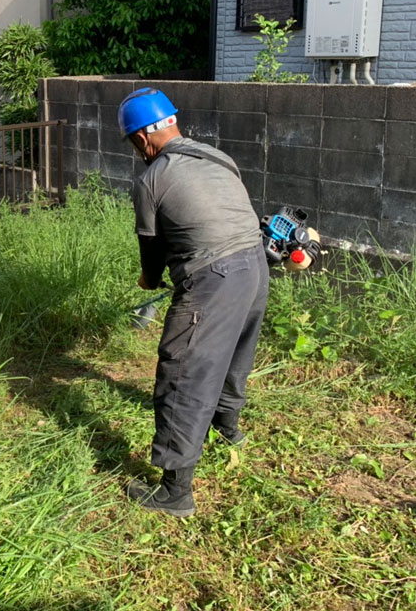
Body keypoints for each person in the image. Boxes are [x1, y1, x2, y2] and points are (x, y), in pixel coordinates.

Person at [119, 87, 269, 518]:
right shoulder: (217, 156)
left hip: (215, 279)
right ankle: (227, 428)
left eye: (134, 144)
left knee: (184, 371)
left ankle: (174, 492)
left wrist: (148, 282)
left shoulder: (151, 180)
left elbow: (153, 256)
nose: (137, 152)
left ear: (143, 138)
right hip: (256, 267)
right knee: (234, 354)